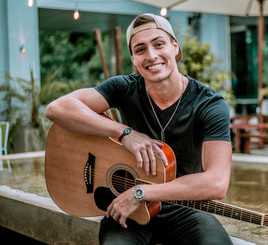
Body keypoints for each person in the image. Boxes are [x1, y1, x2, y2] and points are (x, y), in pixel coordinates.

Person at [46, 13, 233, 245]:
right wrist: (124, 133)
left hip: (185, 207)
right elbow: (57, 108)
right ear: (134, 59)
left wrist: (142, 192)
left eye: (159, 44)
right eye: (141, 49)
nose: (151, 55)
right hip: (126, 210)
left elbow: (217, 182)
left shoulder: (208, 104)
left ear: (175, 47)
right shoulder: (123, 88)